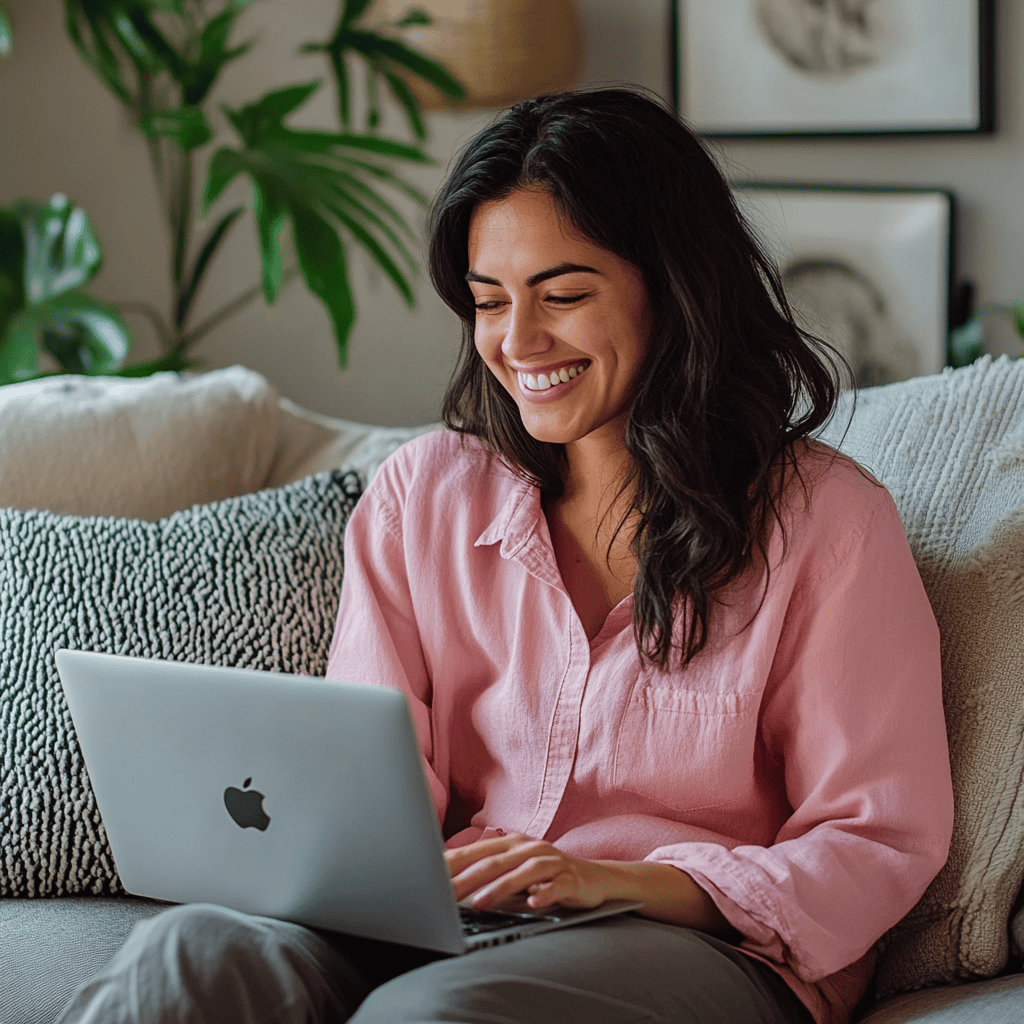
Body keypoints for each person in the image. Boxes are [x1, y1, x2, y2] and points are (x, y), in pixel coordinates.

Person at [56, 88, 953, 1024]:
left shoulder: (829, 524)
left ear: (676, 287)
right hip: (456, 916)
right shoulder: (422, 495)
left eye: (562, 295)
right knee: (184, 958)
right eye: (490, 302)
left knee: (429, 1016)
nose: (518, 343)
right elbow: (369, 784)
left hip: (698, 944)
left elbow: (876, 837)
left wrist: (617, 880)